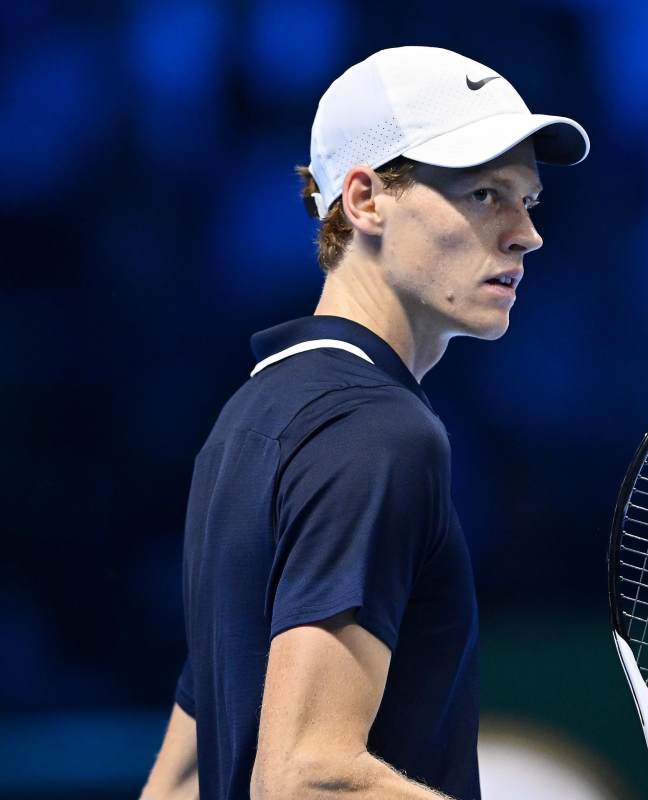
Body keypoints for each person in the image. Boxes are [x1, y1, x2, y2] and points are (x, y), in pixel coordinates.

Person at [139, 46, 589, 800]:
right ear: (365, 199)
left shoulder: (249, 421)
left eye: (527, 200)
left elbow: (179, 784)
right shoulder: (378, 433)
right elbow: (303, 778)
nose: (524, 233)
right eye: (484, 194)